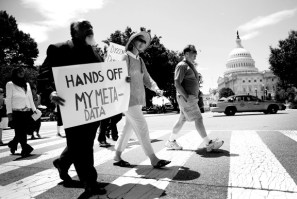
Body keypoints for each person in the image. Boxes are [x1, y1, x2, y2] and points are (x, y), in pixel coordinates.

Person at [38, 20, 106, 198]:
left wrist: (122, 82)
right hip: (70, 107)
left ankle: (62, 163)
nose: (90, 29)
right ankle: (90, 183)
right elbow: (44, 74)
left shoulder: (95, 52)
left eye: (91, 26)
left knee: (82, 144)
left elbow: (105, 76)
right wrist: (50, 92)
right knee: (82, 147)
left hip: (92, 107)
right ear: (74, 33)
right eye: (85, 27)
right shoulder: (59, 49)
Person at [113, 31, 171, 168]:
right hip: (127, 100)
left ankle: (116, 156)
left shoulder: (140, 60)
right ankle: (153, 158)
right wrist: (123, 79)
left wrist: (156, 88)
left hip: (138, 100)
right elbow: (116, 78)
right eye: (140, 40)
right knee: (142, 126)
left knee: (128, 128)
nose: (142, 44)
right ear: (132, 41)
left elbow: (147, 78)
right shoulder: (125, 57)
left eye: (144, 42)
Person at [165, 45, 224, 151]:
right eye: (193, 52)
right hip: (187, 97)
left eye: (196, 53)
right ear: (186, 53)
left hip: (189, 97)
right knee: (198, 118)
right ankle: (209, 144)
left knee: (181, 120)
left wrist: (198, 92)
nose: (196, 55)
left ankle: (171, 141)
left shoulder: (189, 65)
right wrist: (187, 97)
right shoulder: (182, 65)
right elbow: (177, 83)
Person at [6, 67, 36, 157]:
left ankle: (13, 144)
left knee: (23, 131)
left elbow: (30, 97)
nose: (21, 73)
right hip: (17, 112)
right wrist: (9, 113)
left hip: (27, 111)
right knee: (20, 131)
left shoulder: (27, 84)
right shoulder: (10, 84)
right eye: (19, 71)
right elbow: (8, 99)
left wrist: (34, 109)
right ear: (15, 73)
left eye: (22, 71)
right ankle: (25, 149)